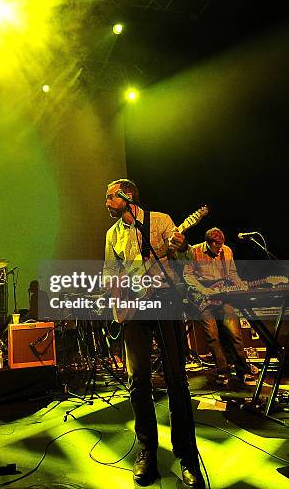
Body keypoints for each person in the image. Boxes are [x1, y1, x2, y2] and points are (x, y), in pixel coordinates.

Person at [103, 179, 203, 488]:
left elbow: (185, 261)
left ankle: (186, 455)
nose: (106, 203)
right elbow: (110, 271)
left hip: (166, 301)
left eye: (109, 197)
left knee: (176, 379)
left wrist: (182, 247)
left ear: (126, 196)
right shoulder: (112, 234)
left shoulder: (159, 221)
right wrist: (116, 301)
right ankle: (146, 450)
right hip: (134, 308)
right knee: (138, 380)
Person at [183, 227, 258, 385]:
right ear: (208, 243)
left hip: (223, 297)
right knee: (213, 336)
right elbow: (187, 275)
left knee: (235, 334)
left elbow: (232, 274)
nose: (219, 251)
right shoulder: (194, 251)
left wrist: (240, 285)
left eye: (221, 246)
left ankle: (242, 371)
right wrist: (204, 290)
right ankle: (223, 372)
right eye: (216, 247)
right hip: (203, 298)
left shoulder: (227, 251)